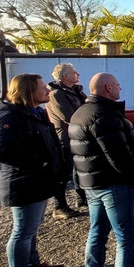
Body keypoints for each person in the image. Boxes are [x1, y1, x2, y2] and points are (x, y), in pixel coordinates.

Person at [70, 72, 134, 267]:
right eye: (117, 85)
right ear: (107, 87)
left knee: (98, 230)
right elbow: (118, 156)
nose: (120, 88)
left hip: (93, 183)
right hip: (114, 184)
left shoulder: (80, 112)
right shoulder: (104, 116)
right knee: (125, 236)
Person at [0, 73, 65, 267]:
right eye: (42, 88)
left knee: (31, 229)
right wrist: (39, 163)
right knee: (22, 231)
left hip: (37, 182)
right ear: (27, 92)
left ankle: (33, 265)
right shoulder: (10, 117)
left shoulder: (34, 113)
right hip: (23, 184)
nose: (48, 91)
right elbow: (1, 150)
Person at [47, 62, 87, 217]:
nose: (78, 74)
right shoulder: (56, 95)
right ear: (64, 76)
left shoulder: (76, 91)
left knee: (78, 169)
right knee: (63, 173)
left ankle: (81, 198)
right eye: (74, 72)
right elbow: (70, 117)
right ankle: (59, 206)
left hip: (77, 136)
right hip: (65, 139)